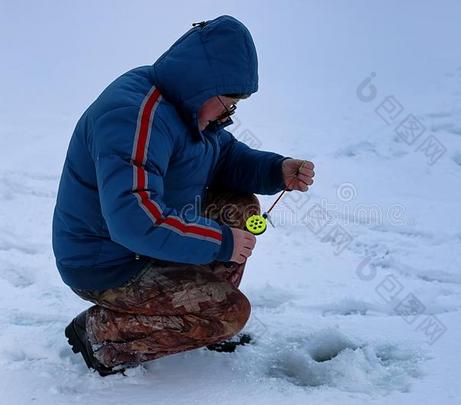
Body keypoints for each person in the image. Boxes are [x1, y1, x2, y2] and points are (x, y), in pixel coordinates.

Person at [52, 15, 315, 376]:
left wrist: (275, 169)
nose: (229, 113)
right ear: (203, 85)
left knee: (238, 207)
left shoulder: (188, 108)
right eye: (228, 103)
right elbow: (133, 219)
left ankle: (195, 314)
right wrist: (220, 243)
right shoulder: (134, 117)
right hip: (106, 263)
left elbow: (224, 156)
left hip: (145, 242)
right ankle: (103, 334)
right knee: (230, 313)